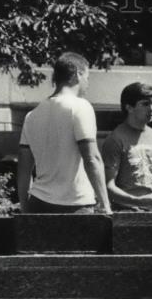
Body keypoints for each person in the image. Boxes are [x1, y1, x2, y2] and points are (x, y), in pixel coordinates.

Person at [17, 52, 111, 214]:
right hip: (76, 205)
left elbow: (24, 169)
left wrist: (25, 209)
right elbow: (92, 158)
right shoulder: (80, 107)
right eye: (87, 77)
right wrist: (105, 204)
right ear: (77, 74)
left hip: (38, 205)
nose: (88, 83)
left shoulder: (32, 115)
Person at [101, 82, 152, 212]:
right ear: (129, 107)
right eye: (145, 104)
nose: (151, 109)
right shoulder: (115, 139)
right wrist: (139, 201)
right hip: (127, 215)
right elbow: (108, 186)